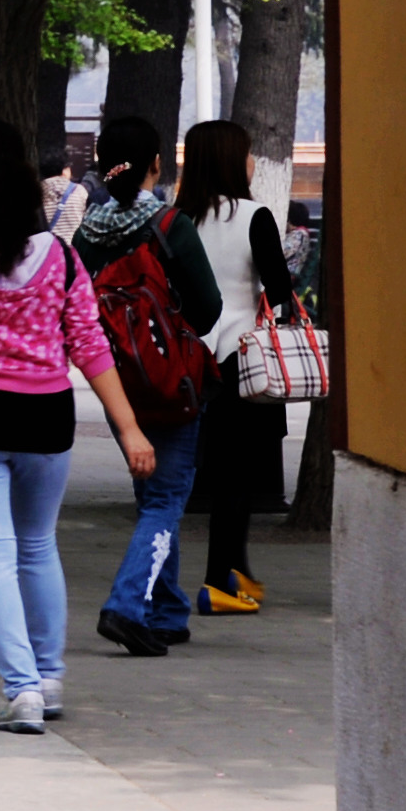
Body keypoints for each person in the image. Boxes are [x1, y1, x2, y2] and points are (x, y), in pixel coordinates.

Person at [0, 117, 156, 728]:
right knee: (37, 546)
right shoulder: (61, 257)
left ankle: (22, 692)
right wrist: (130, 430)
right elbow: (90, 345)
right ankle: (50, 677)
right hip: (46, 417)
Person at [73, 114, 210, 656]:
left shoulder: (87, 234)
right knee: (168, 496)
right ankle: (128, 606)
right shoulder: (173, 225)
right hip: (172, 380)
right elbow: (207, 308)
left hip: (118, 383)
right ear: (157, 163)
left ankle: (167, 608)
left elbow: (79, 310)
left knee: (152, 492)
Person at [166, 117, 305, 611]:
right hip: (241, 364)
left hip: (184, 364)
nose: (250, 161)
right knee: (236, 480)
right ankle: (222, 583)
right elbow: (281, 293)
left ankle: (232, 575)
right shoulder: (254, 215)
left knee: (183, 480)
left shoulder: (173, 219)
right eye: (246, 153)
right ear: (231, 160)